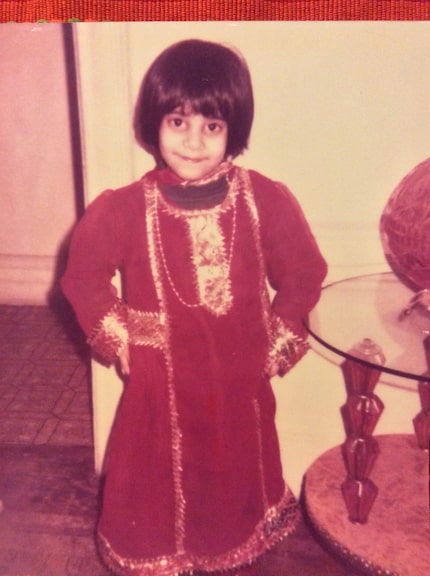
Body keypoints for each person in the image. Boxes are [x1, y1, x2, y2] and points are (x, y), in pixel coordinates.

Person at [61, 38, 327, 576]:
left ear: (235, 131)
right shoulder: (123, 209)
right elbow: (83, 275)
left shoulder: (264, 200)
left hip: (237, 380)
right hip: (162, 382)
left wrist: (279, 338)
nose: (194, 141)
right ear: (153, 123)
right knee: (156, 474)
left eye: (212, 125)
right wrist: (119, 336)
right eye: (179, 121)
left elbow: (303, 272)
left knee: (233, 470)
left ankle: (230, 545)